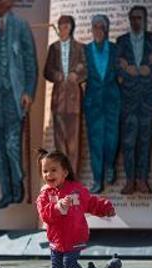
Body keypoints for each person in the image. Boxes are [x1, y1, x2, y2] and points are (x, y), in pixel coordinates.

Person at [36, 149, 115, 268]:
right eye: (45, 171)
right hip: (56, 239)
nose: (48, 174)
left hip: (75, 235)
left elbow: (91, 203)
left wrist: (105, 208)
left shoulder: (76, 189)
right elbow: (45, 215)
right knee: (56, 267)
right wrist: (58, 207)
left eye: (53, 170)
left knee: (69, 262)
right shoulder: (44, 194)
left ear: (65, 172)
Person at [0, 0, 38, 209]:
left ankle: (17, 184)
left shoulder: (21, 26)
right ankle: (6, 193)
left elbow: (30, 62)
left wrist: (29, 92)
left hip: (14, 96)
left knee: (13, 145)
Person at [116, 5, 152, 195]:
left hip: (146, 95)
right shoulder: (121, 41)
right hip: (128, 96)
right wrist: (125, 69)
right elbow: (115, 65)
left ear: (145, 20)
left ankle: (142, 180)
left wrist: (151, 69)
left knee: (145, 138)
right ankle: (129, 180)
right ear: (129, 20)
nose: (136, 21)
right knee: (128, 139)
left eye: (140, 18)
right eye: (134, 18)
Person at [44, 15, 87, 178]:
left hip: (74, 98)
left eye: (66, 27)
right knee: (59, 138)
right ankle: (62, 174)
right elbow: (47, 71)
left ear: (71, 28)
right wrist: (56, 75)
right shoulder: (53, 48)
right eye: (61, 26)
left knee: (74, 139)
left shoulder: (80, 47)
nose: (63, 30)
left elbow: (86, 69)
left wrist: (77, 74)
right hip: (58, 99)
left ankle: (73, 174)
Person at [84, 15, 120, 194]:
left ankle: (110, 165)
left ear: (106, 30)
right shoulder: (86, 50)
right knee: (95, 141)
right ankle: (98, 179)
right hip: (93, 102)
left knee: (112, 138)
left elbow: (122, 69)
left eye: (101, 27)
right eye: (94, 27)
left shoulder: (115, 49)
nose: (98, 30)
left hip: (113, 100)